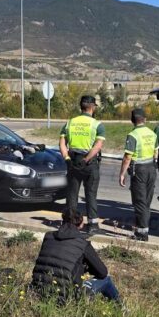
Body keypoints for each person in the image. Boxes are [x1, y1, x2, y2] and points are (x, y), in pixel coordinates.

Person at [30, 208, 121, 303]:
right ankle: (121, 309)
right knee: (106, 279)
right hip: (67, 298)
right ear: (81, 224)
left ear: (62, 221)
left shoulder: (49, 236)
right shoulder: (83, 244)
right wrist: (87, 268)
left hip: (39, 291)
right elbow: (102, 272)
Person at [59, 95, 106, 235]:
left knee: (72, 194)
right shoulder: (97, 125)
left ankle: (69, 223)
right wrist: (86, 159)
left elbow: (62, 143)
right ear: (92, 107)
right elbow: (97, 146)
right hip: (89, 163)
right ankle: (92, 225)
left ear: (81, 106)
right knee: (91, 194)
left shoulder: (70, 123)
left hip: (73, 161)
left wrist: (67, 158)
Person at [119, 108, 159, 241]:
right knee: (146, 200)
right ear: (145, 119)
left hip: (139, 170)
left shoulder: (133, 135)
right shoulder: (152, 133)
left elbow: (127, 157)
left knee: (139, 201)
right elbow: (156, 152)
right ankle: (140, 228)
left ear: (132, 120)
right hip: (151, 168)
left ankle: (142, 233)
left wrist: (122, 174)